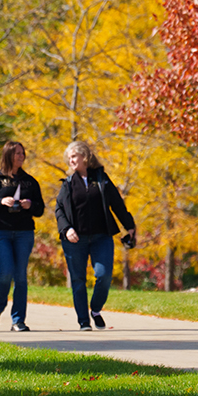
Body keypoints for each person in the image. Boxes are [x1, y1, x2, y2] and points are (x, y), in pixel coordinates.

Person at [54, 140, 136, 332]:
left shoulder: (101, 179)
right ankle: (84, 321)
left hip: (101, 237)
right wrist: (67, 229)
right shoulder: (68, 183)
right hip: (75, 240)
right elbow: (59, 210)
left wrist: (129, 226)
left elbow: (117, 204)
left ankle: (96, 309)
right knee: (78, 280)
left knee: (104, 275)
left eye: (74, 156)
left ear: (85, 156)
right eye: (69, 157)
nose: (71, 160)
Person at [0, 141, 44, 332]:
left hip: (24, 232)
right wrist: (0, 201)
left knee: (20, 275)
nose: (21, 156)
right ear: (8, 155)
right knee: (6, 271)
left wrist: (30, 205)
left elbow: (40, 209)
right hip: (1, 232)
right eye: (17, 153)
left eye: (23, 153)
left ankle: (18, 320)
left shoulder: (30, 181)